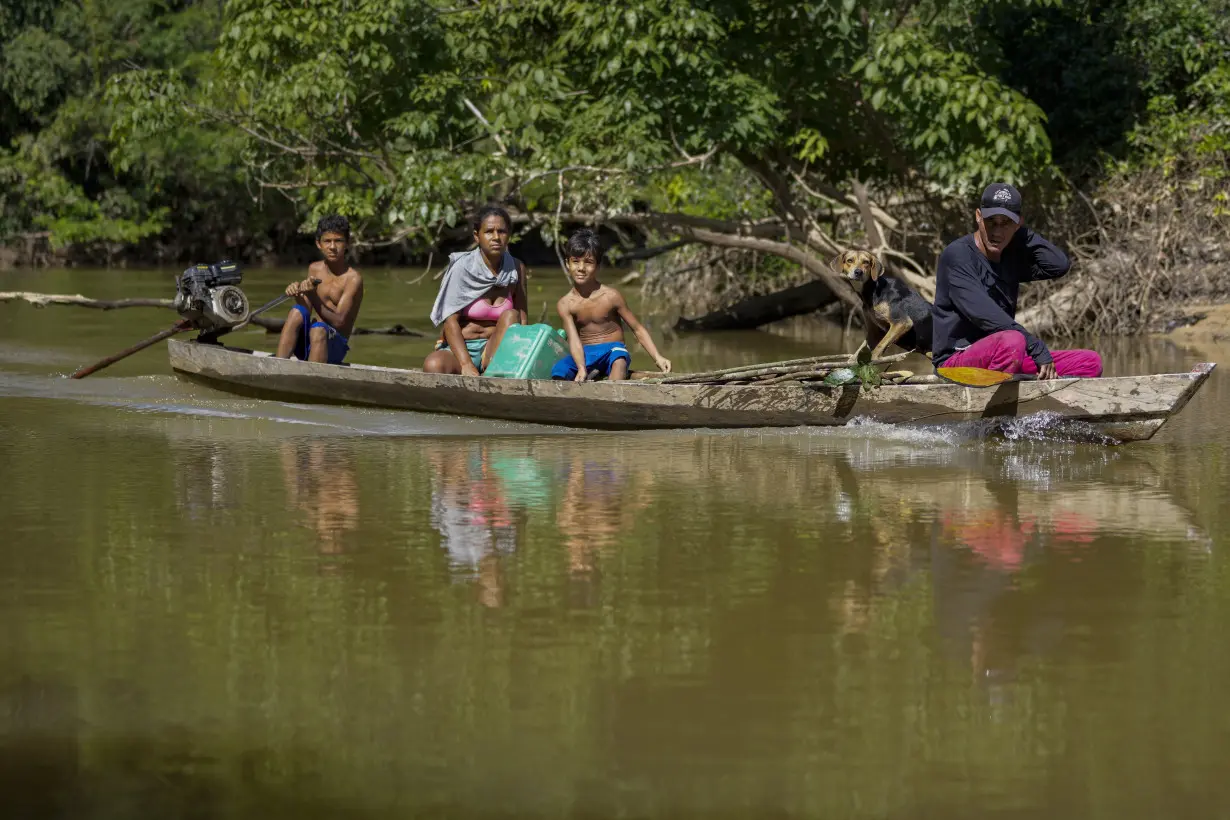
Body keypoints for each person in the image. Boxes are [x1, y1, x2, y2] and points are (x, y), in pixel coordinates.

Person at [931, 183, 1102, 379]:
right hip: (957, 360)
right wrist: (1034, 345)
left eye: (1006, 223)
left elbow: (1058, 265)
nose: (997, 232)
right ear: (978, 216)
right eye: (991, 222)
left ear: (1018, 223)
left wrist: (1020, 233)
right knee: (1013, 341)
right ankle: (1010, 390)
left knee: (1090, 361)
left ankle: (1024, 386)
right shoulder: (957, 256)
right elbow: (984, 314)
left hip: (1006, 355)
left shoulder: (1010, 256)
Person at [551, 229, 671, 381]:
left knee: (619, 360)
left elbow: (637, 329)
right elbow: (573, 340)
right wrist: (581, 367)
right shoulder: (565, 303)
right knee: (559, 369)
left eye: (588, 262)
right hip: (585, 354)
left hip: (612, 350)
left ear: (598, 266)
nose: (581, 268)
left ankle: (612, 390)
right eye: (575, 261)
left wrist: (658, 357)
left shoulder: (611, 296)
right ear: (567, 264)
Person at [423, 206, 529, 375]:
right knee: (434, 365)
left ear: (508, 235)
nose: (496, 237)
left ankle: (494, 372)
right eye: (489, 231)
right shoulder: (462, 268)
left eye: (501, 231)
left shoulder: (516, 268)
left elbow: (522, 318)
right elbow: (450, 322)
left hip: (496, 351)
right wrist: (466, 364)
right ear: (476, 236)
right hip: (462, 349)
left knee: (512, 315)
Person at [275, 214, 364, 365]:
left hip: (333, 347)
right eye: (327, 241)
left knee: (318, 329)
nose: (332, 247)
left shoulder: (353, 279)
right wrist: (297, 294)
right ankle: (276, 366)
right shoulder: (314, 268)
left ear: (347, 243)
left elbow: (340, 321)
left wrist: (312, 295)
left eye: (338, 241)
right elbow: (307, 309)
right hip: (311, 341)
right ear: (319, 244)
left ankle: (311, 380)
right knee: (296, 311)